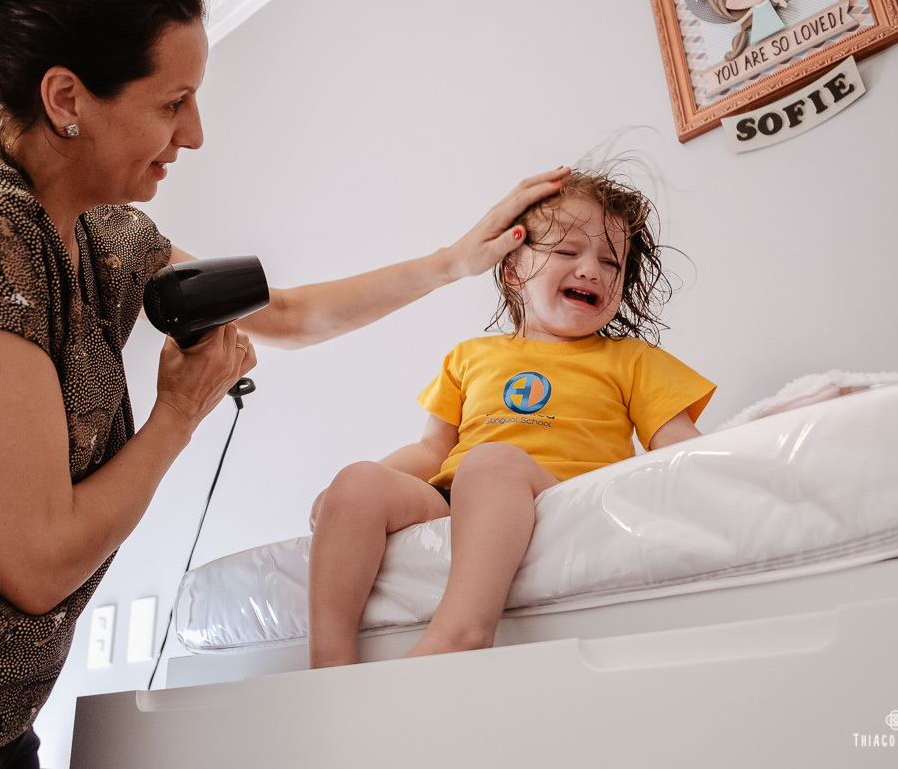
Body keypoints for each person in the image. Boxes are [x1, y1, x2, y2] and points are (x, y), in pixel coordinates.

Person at [0, 0, 570, 765]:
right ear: (67, 99)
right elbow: (39, 563)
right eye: (172, 103)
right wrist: (178, 416)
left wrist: (454, 261)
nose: (195, 133)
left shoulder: (108, 237)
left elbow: (286, 314)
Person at [307, 167, 716, 668]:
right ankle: (329, 665)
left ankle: (459, 636)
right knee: (357, 481)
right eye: (567, 252)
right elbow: (432, 451)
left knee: (492, 462)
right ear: (513, 269)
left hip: (558, 493)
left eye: (612, 262)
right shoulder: (470, 356)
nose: (592, 270)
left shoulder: (632, 359)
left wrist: (760, 438)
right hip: (458, 498)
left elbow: (682, 447)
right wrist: (346, 499)